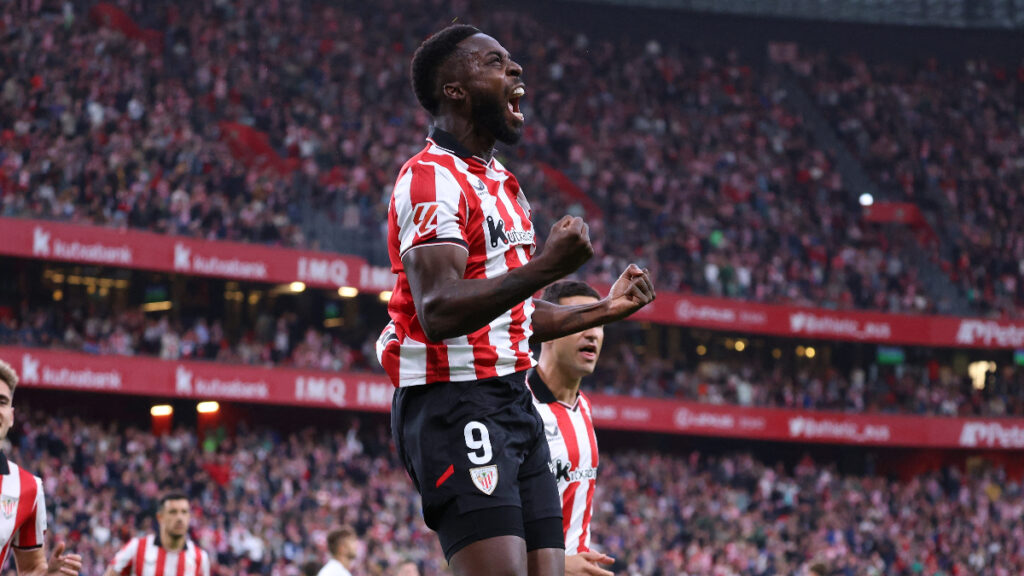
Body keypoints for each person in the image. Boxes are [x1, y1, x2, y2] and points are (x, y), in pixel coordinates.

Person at [377, 23, 655, 576]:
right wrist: (547, 266)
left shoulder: (504, 184)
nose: (516, 70)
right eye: (495, 63)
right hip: (454, 401)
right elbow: (438, 311)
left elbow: (515, 316)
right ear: (454, 88)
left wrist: (602, 309)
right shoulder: (430, 179)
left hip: (514, 400)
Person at [528, 282, 615, 576]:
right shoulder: (515, 408)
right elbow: (489, 526)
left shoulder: (585, 408)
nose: (593, 332)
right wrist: (557, 567)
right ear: (548, 330)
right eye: (581, 320)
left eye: (599, 323)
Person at [0, 360, 82, 576]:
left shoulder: (29, 487)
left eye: (1, 402)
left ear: (11, 417)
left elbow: (30, 569)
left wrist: (47, 575)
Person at [104, 493, 211, 576]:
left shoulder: (200, 558)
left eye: (184, 512)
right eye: (173, 512)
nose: (179, 518)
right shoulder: (137, 547)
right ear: (160, 517)